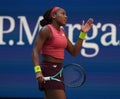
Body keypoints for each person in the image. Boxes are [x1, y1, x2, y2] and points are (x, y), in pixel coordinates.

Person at [32, 6, 93, 99]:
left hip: (59, 71)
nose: (66, 16)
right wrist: (38, 71)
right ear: (54, 15)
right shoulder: (46, 30)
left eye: (66, 14)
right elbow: (35, 51)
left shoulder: (62, 32)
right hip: (49, 69)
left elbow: (74, 51)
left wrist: (83, 33)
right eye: (63, 14)